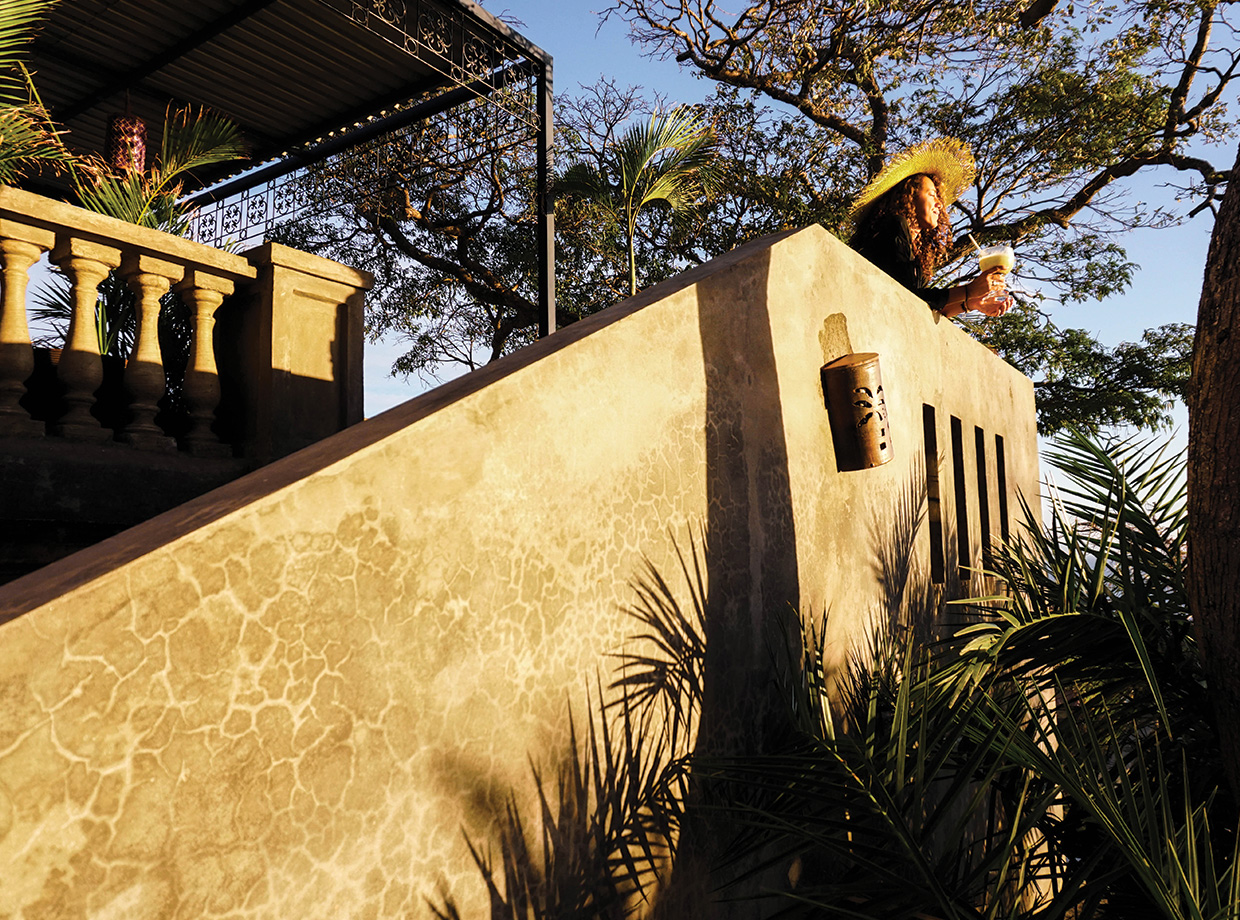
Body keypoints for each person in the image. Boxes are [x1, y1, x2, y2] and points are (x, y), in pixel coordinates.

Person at [848, 138, 1010, 318]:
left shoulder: (916, 251)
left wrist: (969, 304)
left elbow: (921, 306)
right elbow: (906, 295)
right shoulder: (893, 225)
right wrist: (968, 290)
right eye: (932, 195)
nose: (939, 205)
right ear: (907, 197)